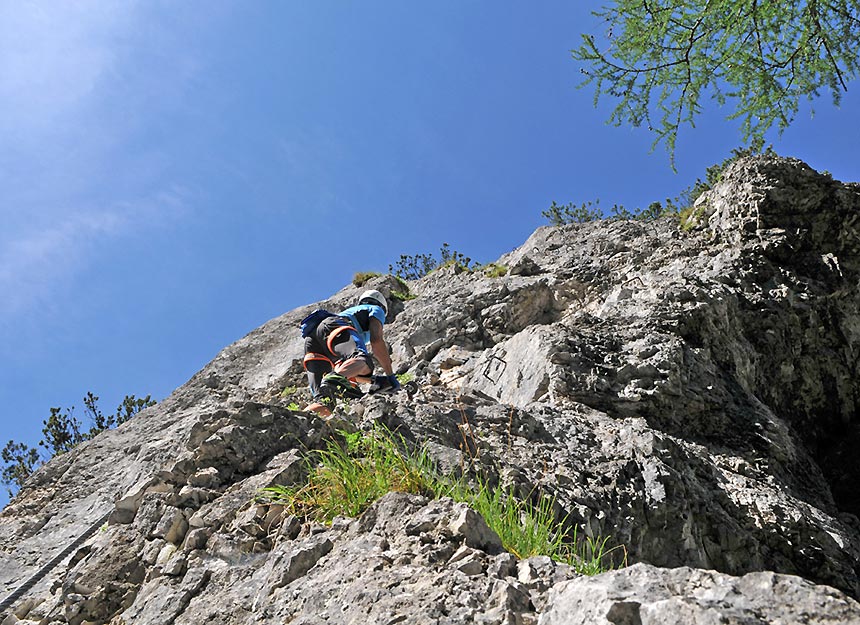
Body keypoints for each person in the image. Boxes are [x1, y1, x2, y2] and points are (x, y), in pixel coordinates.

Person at [301, 289, 400, 416]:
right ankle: (332, 381)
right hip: (335, 327)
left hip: (312, 342)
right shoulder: (375, 309)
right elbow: (376, 341)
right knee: (364, 361)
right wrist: (390, 375)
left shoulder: (353, 312)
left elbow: (345, 368)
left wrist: (374, 380)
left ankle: (299, 420)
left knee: (325, 401)